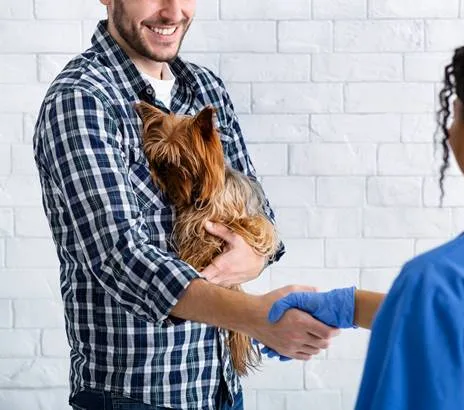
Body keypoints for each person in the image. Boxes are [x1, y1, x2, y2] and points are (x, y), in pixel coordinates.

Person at [32, 1, 339, 409]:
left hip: (219, 387)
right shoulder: (82, 99)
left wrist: (255, 255)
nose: (172, 11)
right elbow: (121, 258)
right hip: (138, 395)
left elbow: (258, 211)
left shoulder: (206, 87)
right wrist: (256, 316)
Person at [268, 23, 464, 409]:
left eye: (455, 115)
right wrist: (351, 306)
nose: (449, 132)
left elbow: (455, 319)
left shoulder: (442, 283)